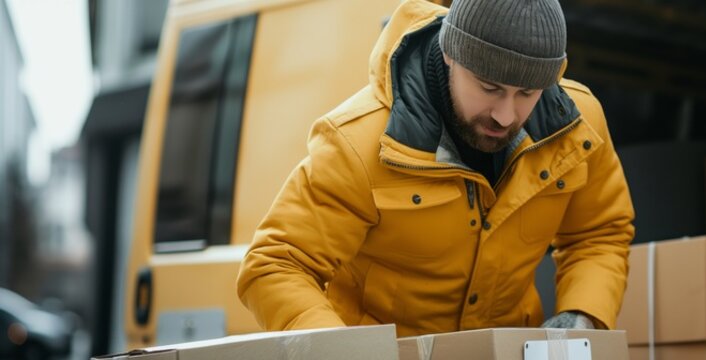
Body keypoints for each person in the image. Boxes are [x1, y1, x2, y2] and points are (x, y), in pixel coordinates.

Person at [236, 0, 635, 337]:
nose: (505, 114)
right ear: (450, 53)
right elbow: (276, 264)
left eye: (527, 93)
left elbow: (599, 233)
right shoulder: (356, 144)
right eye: (489, 86)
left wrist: (583, 314)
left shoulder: (580, 128)